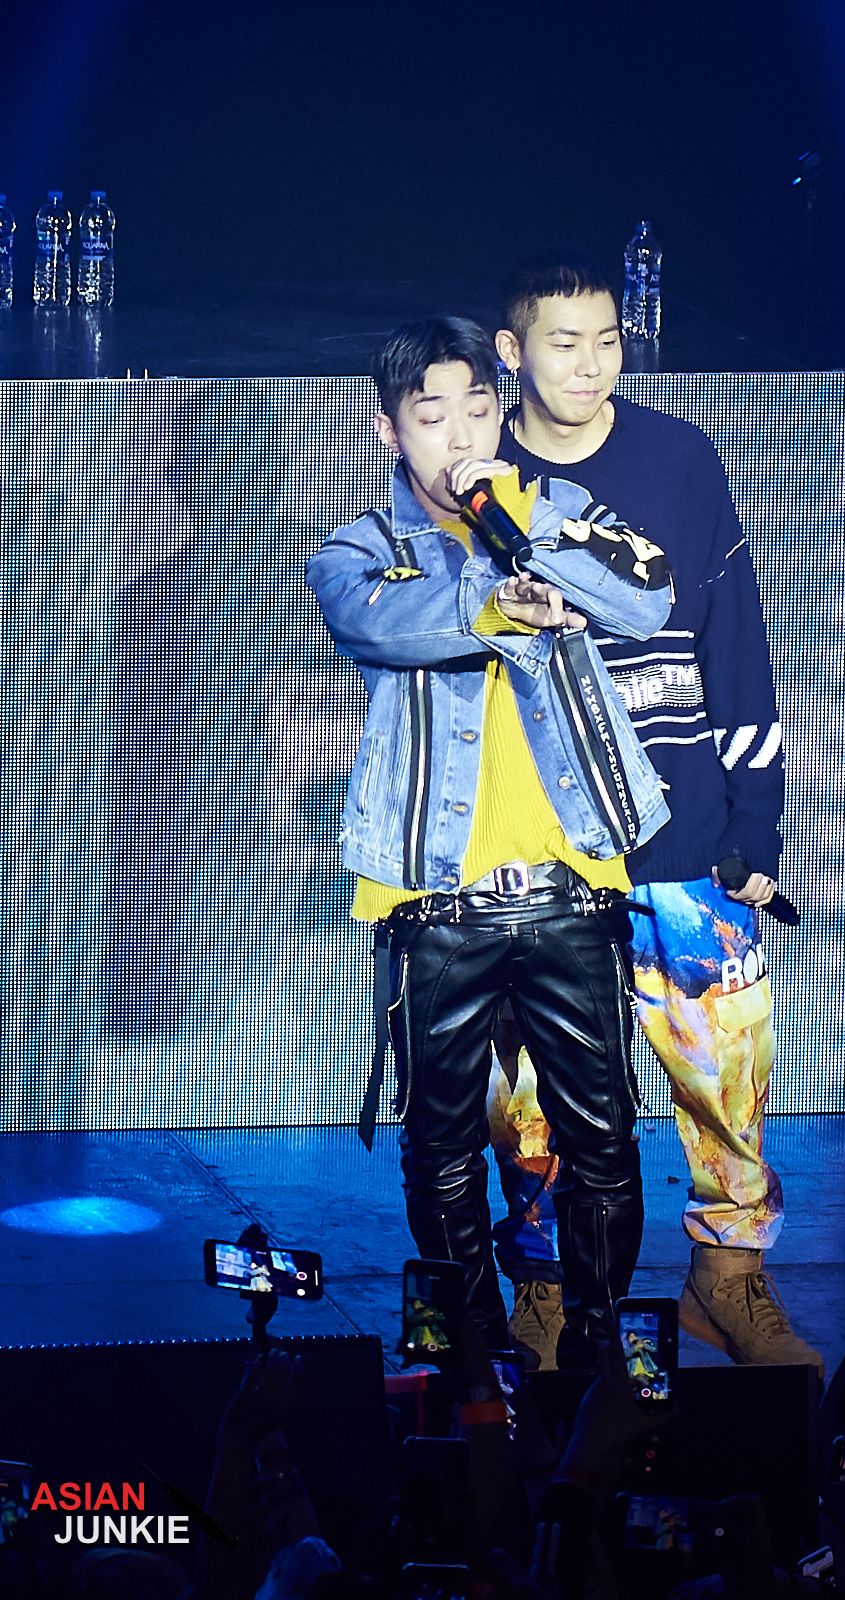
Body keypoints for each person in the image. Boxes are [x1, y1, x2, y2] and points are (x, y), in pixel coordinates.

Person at [306, 316, 674, 1354]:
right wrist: (502, 600)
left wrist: (527, 524)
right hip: (437, 902)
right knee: (440, 1148)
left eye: (478, 408)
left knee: (604, 1139)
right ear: (389, 430)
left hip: (570, 886)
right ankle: (470, 1356)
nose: (462, 432)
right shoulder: (357, 551)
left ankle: (597, 1349)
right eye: (433, 415)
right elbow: (381, 622)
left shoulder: (555, 513)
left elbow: (647, 594)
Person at [488, 250, 824, 1379]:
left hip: (685, 838)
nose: (590, 364)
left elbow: (736, 642)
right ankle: (544, 1290)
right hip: (542, 850)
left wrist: (756, 819)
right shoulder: (483, 479)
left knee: (725, 1074)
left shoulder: (681, 456)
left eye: (607, 340)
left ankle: (727, 1280)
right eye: (563, 343)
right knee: (530, 1090)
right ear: (512, 351)